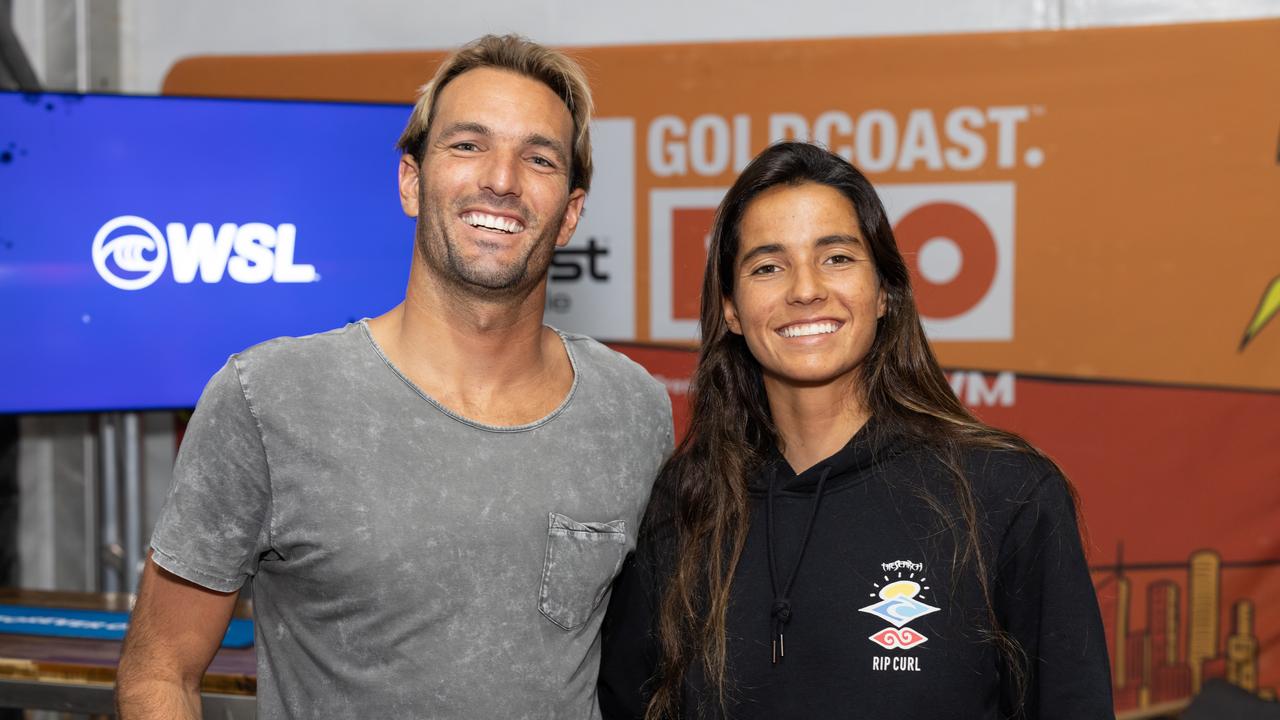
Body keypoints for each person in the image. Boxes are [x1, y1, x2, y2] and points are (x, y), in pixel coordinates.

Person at [115, 34, 672, 719]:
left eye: (538, 157)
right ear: (410, 180)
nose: (502, 178)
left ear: (571, 213)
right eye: (468, 145)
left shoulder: (632, 410)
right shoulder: (267, 400)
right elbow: (159, 672)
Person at [597, 142, 1112, 719]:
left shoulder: (1003, 493)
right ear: (733, 311)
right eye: (768, 266)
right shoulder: (684, 505)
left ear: (885, 291)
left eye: (836, 257)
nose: (805, 289)